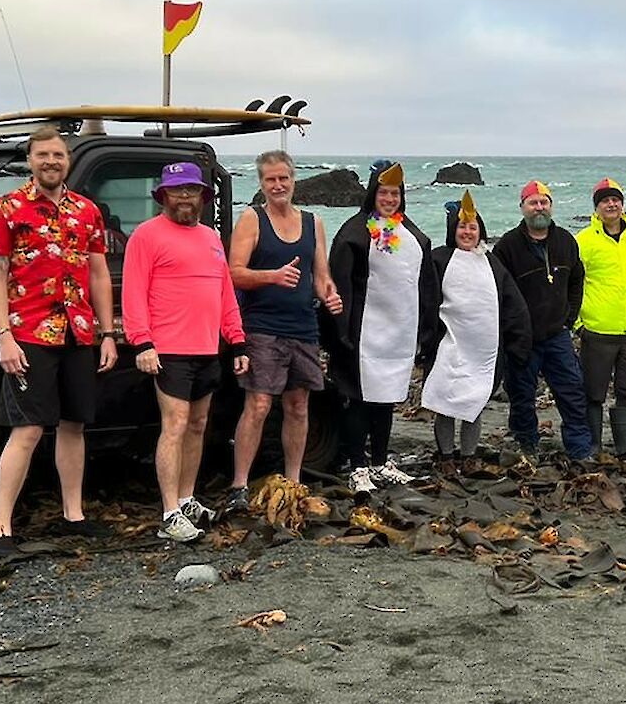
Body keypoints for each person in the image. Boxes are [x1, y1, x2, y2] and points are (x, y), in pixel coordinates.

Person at [0, 126, 118, 558]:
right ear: (30, 159)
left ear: (68, 160)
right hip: (27, 333)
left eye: (58, 155)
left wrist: (107, 332)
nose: (51, 162)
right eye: (43, 155)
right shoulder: (5, 209)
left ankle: (72, 515)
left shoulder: (87, 211)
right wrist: (4, 337)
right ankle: (1, 528)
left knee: (75, 425)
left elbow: (98, 273)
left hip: (78, 332)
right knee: (28, 429)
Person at [122, 163, 251, 543]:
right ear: (162, 195)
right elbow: (133, 293)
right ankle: (169, 513)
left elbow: (225, 292)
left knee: (198, 425)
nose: (183, 197)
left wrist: (237, 339)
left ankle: (187, 497)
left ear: (201, 197)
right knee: (175, 425)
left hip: (207, 348)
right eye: (175, 190)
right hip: (167, 349)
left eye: (190, 190)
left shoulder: (211, 237)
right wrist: (141, 341)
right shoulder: (145, 236)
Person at [226, 150, 341, 500]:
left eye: (283, 178)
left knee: (298, 405)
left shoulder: (312, 222)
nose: (278, 185)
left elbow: (321, 277)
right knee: (259, 405)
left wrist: (330, 295)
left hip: (303, 328)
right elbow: (233, 273)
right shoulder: (251, 220)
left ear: (293, 180)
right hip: (262, 327)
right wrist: (271, 277)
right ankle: (239, 484)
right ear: (261, 183)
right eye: (270, 180)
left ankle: (293, 480)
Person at [323, 160, 440, 494]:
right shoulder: (355, 232)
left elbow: (425, 284)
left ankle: (379, 461)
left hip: (398, 335)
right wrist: (340, 331)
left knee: (386, 398)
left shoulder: (412, 234)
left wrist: (426, 331)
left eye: (396, 194)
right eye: (384, 193)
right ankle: (357, 466)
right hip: (362, 332)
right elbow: (339, 281)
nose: (390, 199)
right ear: (373, 194)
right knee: (358, 398)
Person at [421, 192, 531, 470]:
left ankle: (469, 457)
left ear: (480, 231)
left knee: (474, 403)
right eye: (462, 226)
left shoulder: (491, 263)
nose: (467, 232)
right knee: (445, 403)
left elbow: (512, 304)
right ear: (452, 230)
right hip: (448, 344)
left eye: (473, 227)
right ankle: (446, 456)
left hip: (482, 349)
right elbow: (424, 300)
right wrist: (424, 342)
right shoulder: (438, 260)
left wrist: (519, 342)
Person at [494, 180, 592, 462]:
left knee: (572, 392)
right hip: (522, 337)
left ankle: (579, 449)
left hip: (557, 335)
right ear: (522, 207)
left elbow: (576, 280)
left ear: (551, 206)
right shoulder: (507, 246)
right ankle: (527, 445)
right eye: (533, 202)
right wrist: (510, 328)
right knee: (522, 396)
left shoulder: (565, 241)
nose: (539, 207)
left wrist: (569, 318)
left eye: (544, 202)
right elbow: (499, 291)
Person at [575, 178, 626, 457]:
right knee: (593, 393)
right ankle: (594, 444)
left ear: (622, 204)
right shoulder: (584, 241)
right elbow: (573, 284)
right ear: (597, 208)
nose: (611, 204)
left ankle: (623, 445)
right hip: (598, 330)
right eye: (605, 201)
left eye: (616, 200)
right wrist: (578, 324)